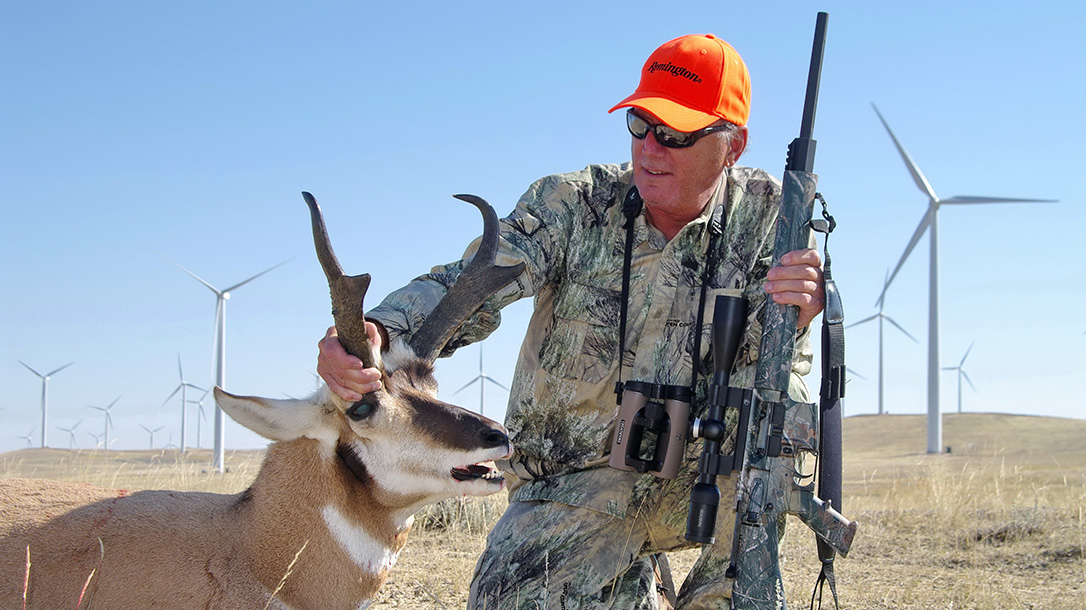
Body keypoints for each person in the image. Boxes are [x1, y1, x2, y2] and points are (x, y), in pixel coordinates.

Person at [318, 33, 824, 610]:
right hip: (573, 482)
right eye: (640, 124)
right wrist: (379, 333)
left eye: (676, 135)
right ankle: (634, 586)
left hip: (705, 478)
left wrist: (800, 314)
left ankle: (728, 596)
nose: (651, 150)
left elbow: (775, 361)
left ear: (732, 147)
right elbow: (469, 284)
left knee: (782, 401)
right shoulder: (572, 205)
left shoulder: (771, 219)